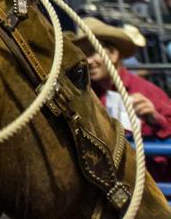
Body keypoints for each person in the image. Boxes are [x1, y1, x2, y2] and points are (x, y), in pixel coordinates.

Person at [73, 16, 171, 181]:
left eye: (92, 52)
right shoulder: (83, 94)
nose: (88, 61)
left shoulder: (147, 92)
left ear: (113, 53)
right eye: (83, 55)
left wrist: (154, 118)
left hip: (152, 184)